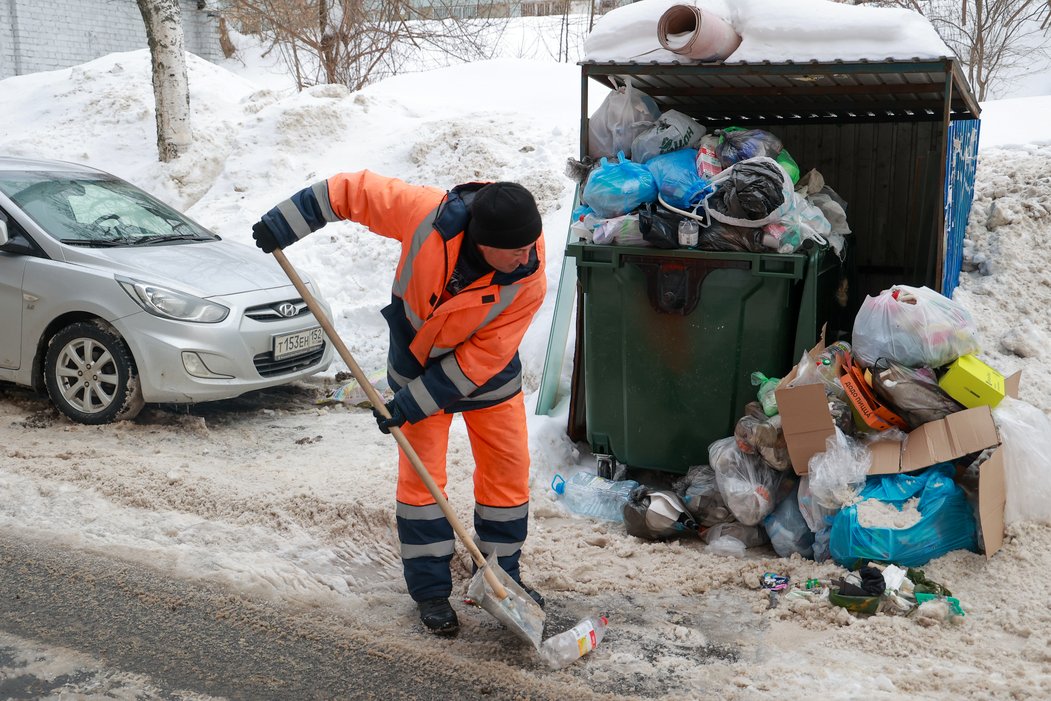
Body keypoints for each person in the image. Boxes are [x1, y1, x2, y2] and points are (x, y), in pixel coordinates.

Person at [251, 171, 546, 637]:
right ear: (483, 242)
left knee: (507, 474)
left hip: (487, 374)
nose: (529, 256)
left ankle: (501, 577)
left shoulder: (528, 275)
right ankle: (430, 591)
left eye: (532, 245)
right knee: (422, 481)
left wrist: (415, 403)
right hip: (416, 358)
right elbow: (352, 192)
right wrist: (285, 223)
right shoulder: (427, 215)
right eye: (517, 249)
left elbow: (482, 357)